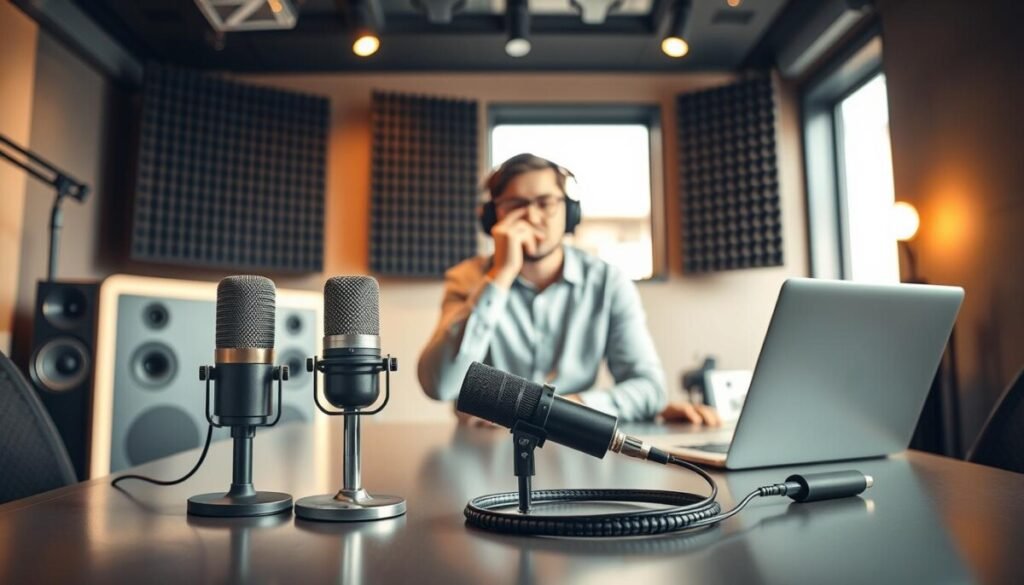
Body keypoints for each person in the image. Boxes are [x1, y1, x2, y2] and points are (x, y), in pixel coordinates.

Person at [417, 153, 718, 426]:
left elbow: (649, 388)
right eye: (515, 205)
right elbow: (440, 385)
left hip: (571, 443)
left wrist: (558, 409)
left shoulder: (607, 283)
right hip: (482, 453)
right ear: (493, 216)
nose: (532, 217)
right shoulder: (467, 279)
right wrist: (500, 275)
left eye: (545, 203)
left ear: (570, 213)